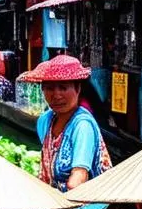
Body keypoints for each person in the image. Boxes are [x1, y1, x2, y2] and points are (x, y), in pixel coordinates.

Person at [18, 54, 112, 193]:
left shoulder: (82, 125)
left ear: (77, 89)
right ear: (43, 90)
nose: (56, 95)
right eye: (50, 88)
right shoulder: (45, 121)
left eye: (63, 88)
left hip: (85, 206)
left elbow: (79, 177)